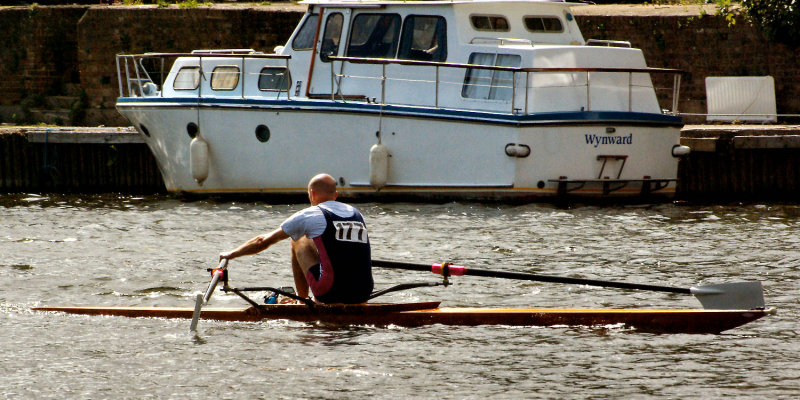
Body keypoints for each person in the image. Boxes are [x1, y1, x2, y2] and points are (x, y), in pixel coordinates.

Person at [219, 174, 374, 304]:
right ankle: (355, 301)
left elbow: (263, 241)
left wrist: (231, 254)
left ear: (312, 194)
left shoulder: (311, 214)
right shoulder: (356, 213)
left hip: (329, 293)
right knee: (326, 244)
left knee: (297, 238)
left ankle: (302, 300)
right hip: (363, 293)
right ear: (335, 196)